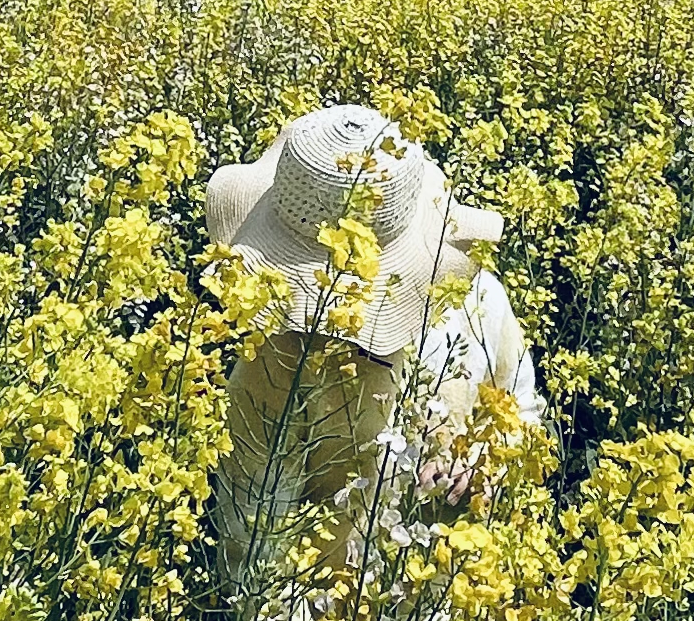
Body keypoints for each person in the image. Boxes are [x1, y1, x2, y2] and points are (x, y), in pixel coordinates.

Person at [204, 105, 540, 592]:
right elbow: (254, 547)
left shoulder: (477, 299)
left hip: (447, 606)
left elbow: (522, 408)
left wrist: (488, 465)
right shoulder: (273, 370)